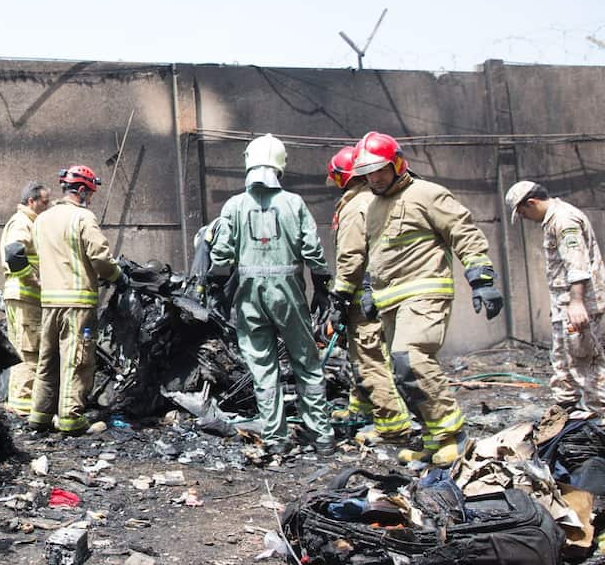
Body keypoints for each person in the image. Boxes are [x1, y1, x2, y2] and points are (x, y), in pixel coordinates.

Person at [336, 131, 503, 466]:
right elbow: (370, 254)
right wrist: (363, 290)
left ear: (398, 163)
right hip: (390, 301)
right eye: (368, 172)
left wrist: (481, 278)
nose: (375, 177)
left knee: (410, 357)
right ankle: (432, 440)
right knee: (401, 372)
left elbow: (463, 231)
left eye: (381, 169)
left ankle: (453, 437)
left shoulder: (426, 194)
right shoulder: (372, 206)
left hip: (425, 293)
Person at [209, 134, 335, 456]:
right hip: (289, 293)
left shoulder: (234, 205)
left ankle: (276, 440)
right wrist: (321, 287)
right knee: (306, 362)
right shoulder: (294, 203)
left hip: (249, 295)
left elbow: (221, 256)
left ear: (248, 161)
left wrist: (216, 289)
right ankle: (321, 436)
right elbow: (313, 250)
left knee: (263, 368)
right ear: (281, 164)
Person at [326, 146, 412, 444]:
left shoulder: (355, 206)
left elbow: (350, 257)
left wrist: (340, 296)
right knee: (362, 352)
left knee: (369, 356)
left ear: (342, 177)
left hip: (363, 297)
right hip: (379, 291)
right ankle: (360, 406)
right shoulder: (377, 200)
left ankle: (392, 424)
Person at [28, 165, 121, 436]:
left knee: (48, 359)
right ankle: (71, 419)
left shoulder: (42, 219)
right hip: (77, 303)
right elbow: (101, 258)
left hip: (49, 302)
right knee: (77, 360)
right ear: (80, 191)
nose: (90, 199)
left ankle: (40, 416)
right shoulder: (83, 218)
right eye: (90, 194)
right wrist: (116, 276)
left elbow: (35, 258)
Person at [506, 180, 605, 415]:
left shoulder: (564, 220)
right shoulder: (554, 219)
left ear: (531, 203)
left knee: (587, 365)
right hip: (566, 307)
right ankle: (568, 415)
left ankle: (599, 418)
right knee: (564, 363)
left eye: (522, 212)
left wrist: (577, 302)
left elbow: (576, 263)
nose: (525, 218)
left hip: (581, 307)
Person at [0, 181, 51, 415]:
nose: (48, 206)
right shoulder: (22, 222)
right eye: (45, 201)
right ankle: (22, 405)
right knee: (28, 350)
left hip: (22, 297)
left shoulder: (30, 223)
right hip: (25, 295)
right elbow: (14, 253)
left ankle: (22, 402)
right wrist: (34, 280)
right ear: (32, 201)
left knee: (26, 347)